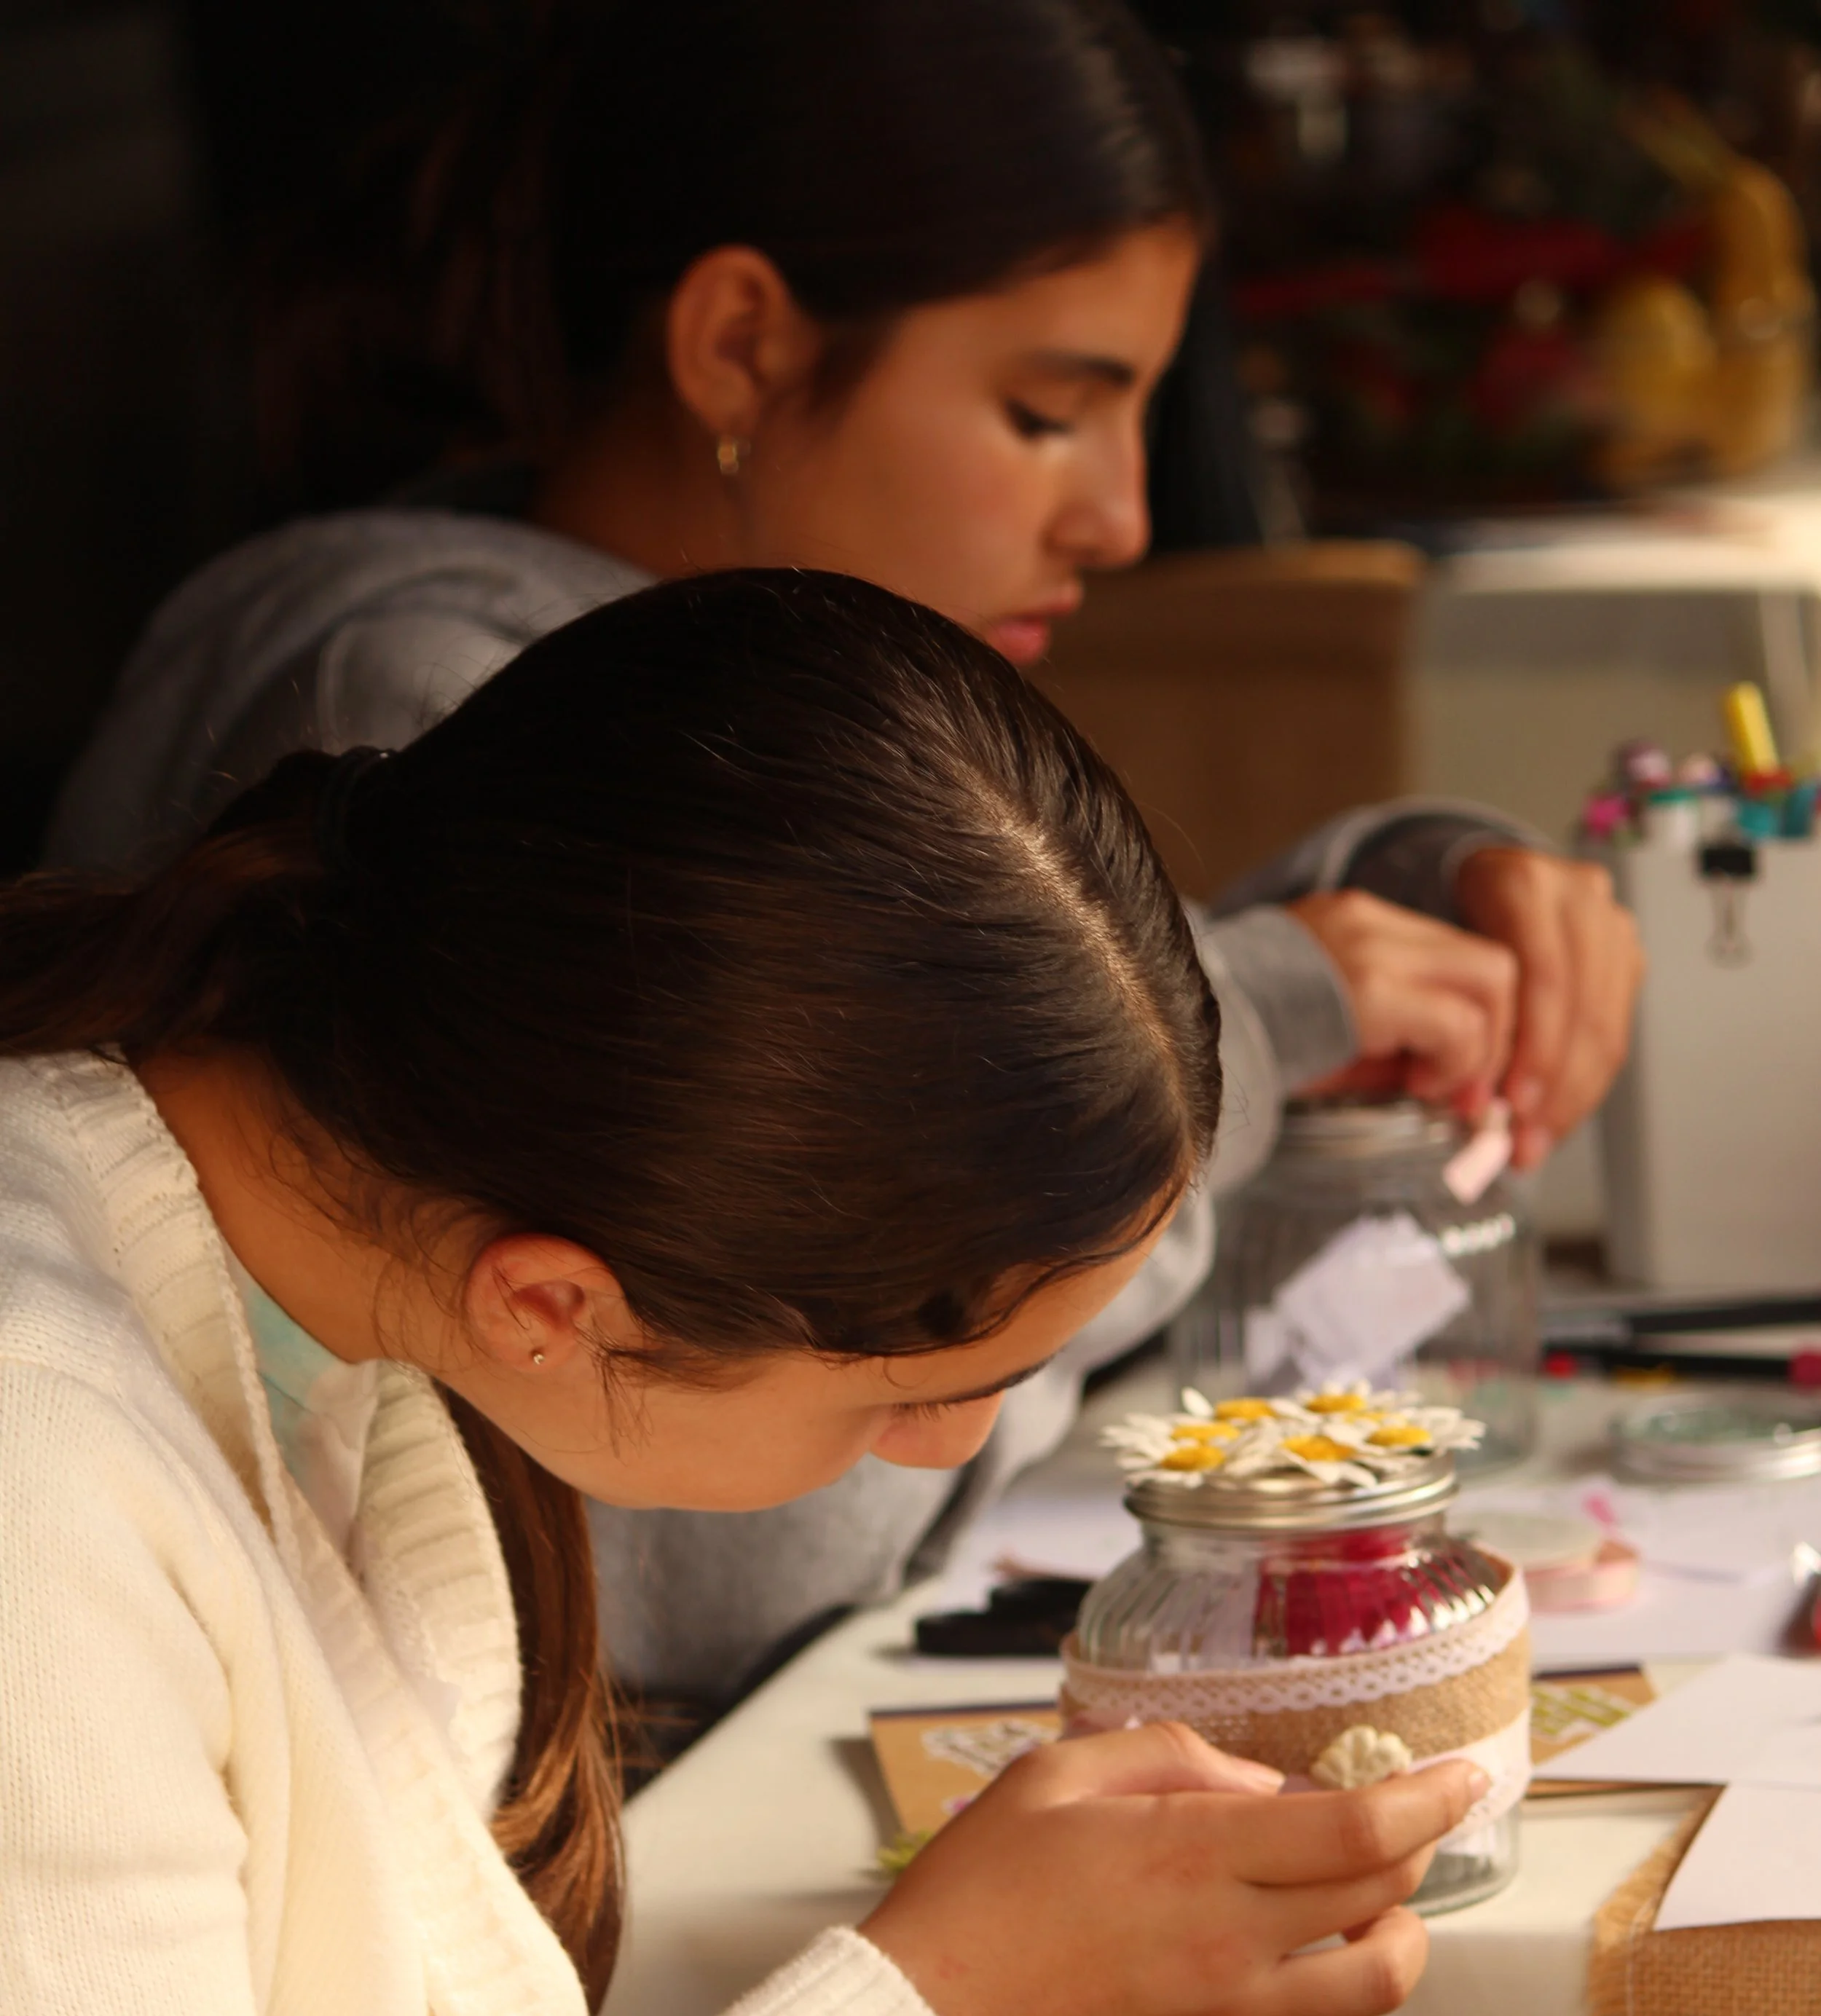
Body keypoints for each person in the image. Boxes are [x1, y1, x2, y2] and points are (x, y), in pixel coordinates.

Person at [0, 570, 1476, 2016]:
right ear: (558, 1297)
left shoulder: (354, 1337)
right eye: (908, 1395)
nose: (936, 1455)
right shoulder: (40, 1471)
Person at [45, 0, 1643, 1710]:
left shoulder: (565, 664)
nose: (1119, 517)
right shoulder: (420, 698)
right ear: (739, 343)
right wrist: (1272, 1014)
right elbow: (714, 1549)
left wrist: (1383, 910)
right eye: (1044, 408)